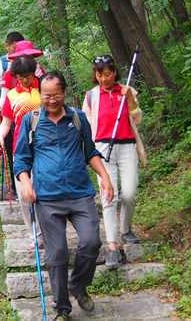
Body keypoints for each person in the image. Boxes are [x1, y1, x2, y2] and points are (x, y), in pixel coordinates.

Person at [14, 72, 114, 321]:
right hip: (47, 198)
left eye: (55, 95)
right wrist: (26, 183)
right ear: (41, 94)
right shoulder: (32, 121)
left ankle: (78, 286)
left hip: (80, 193)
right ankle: (62, 308)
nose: (51, 100)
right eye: (46, 95)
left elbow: (90, 152)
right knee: (56, 253)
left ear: (64, 93)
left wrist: (105, 177)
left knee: (91, 242)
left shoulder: (78, 118)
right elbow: (21, 159)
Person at [82, 55, 147, 269]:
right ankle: (112, 246)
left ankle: (125, 228)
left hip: (127, 146)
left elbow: (137, 118)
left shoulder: (127, 91)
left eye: (107, 74)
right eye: (99, 74)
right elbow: (85, 124)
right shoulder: (91, 96)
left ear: (114, 73)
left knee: (129, 193)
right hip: (101, 149)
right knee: (109, 196)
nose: (103, 78)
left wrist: (130, 100)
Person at [0, 56, 42, 235]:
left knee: (41, 191)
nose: (23, 80)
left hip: (43, 147)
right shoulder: (12, 96)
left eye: (27, 76)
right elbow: (6, 123)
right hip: (19, 148)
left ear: (33, 73)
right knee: (24, 194)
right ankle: (34, 234)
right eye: (20, 77)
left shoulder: (43, 89)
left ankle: (46, 230)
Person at [0, 32, 24, 178]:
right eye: (13, 47)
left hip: (26, 109)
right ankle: (16, 184)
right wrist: (0, 104)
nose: (15, 51)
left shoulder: (28, 62)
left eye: (18, 47)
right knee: (9, 146)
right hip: (7, 110)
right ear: (6, 46)